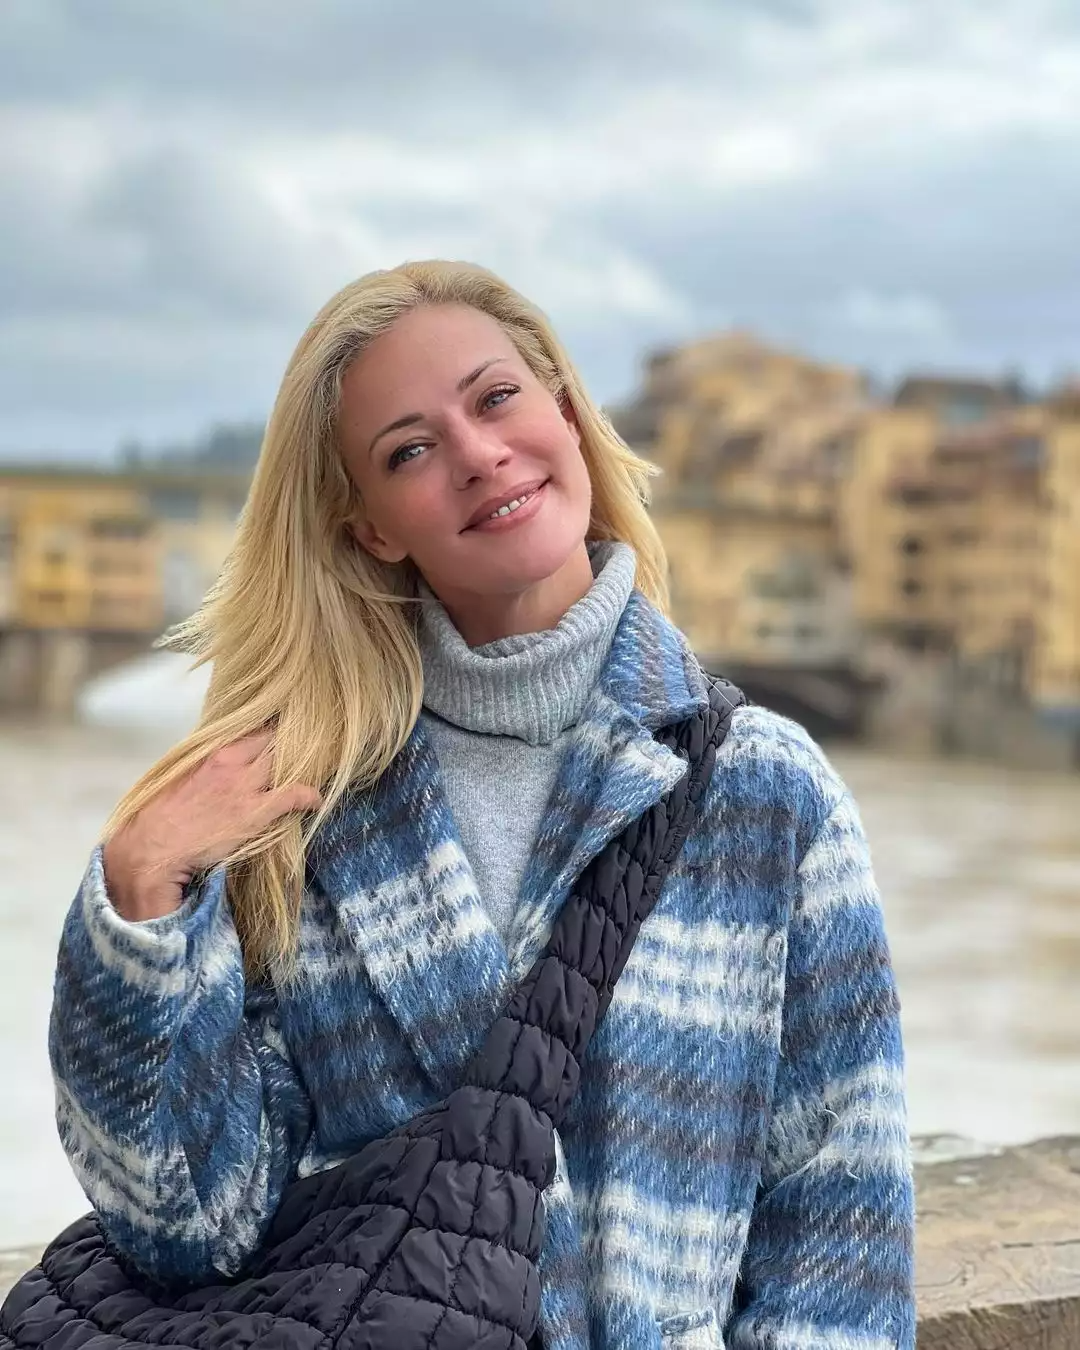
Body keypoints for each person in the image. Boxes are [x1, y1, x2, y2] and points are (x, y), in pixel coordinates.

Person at [49, 260, 916, 1349]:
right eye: (408, 451)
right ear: (371, 528)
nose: (477, 454)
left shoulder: (768, 793)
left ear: (565, 409)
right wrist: (135, 906)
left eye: (496, 397)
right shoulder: (301, 809)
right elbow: (189, 1228)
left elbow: (840, 1244)